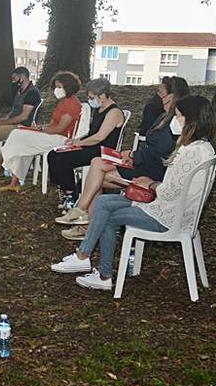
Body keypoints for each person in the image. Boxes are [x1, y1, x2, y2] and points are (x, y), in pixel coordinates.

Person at [51, 95, 215, 290]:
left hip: (166, 216)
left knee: (108, 215)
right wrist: (152, 183)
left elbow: (169, 193)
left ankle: (101, 274)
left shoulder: (189, 152)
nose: (173, 120)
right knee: (104, 202)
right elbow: (177, 188)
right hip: (174, 212)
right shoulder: (203, 148)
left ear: (192, 120)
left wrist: (150, 185)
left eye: (178, 116)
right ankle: (83, 257)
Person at [55, 77, 189, 239]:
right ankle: (85, 221)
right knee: (96, 167)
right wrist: (132, 155)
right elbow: (151, 147)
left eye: (161, 91)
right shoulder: (163, 117)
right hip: (144, 162)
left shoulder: (174, 124)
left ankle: (84, 217)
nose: (158, 94)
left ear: (171, 96)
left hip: (151, 171)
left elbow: (161, 152)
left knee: (96, 172)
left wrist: (133, 155)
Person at [0, 71, 83, 192]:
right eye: (55, 87)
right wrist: (38, 127)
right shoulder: (63, 101)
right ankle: (14, 182)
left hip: (61, 139)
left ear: (68, 87)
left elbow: (60, 129)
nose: (56, 90)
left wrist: (41, 129)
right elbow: (52, 124)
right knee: (21, 138)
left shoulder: (72, 104)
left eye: (59, 87)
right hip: (52, 134)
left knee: (18, 135)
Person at [46, 78, 125, 208]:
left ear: (103, 95)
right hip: (92, 146)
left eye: (91, 97)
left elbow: (99, 137)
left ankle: (71, 194)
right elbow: (92, 133)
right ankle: (65, 189)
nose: (90, 100)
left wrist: (80, 144)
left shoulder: (114, 112)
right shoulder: (98, 108)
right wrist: (76, 140)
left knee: (63, 159)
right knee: (53, 153)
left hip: (101, 151)